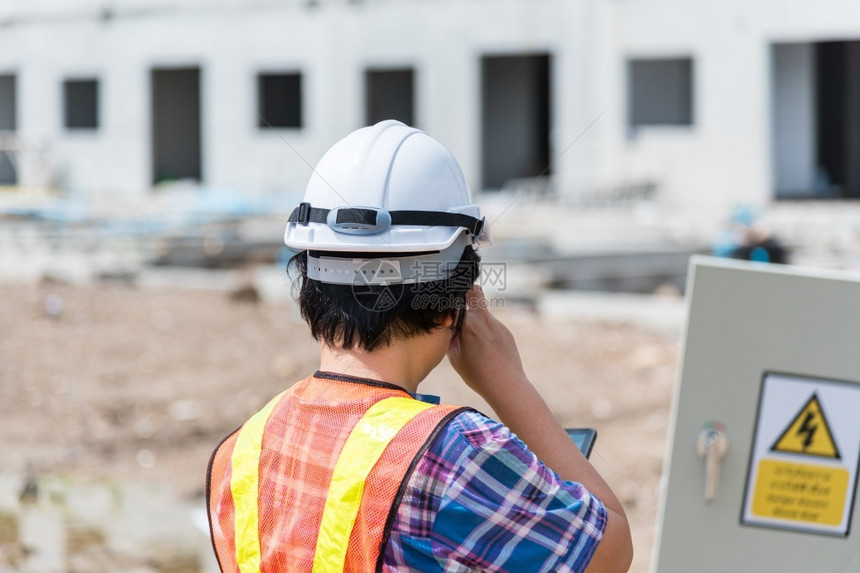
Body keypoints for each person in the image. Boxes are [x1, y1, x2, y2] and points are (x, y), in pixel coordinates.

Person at [206, 120, 632, 572]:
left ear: (308, 282)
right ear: (454, 303)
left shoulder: (239, 454)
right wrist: (509, 382)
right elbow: (611, 547)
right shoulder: (454, 455)